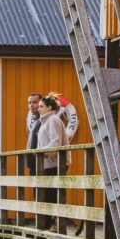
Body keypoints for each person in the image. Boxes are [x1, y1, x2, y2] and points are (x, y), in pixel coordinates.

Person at [36, 96, 70, 229]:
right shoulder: (46, 121)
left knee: (50, 196)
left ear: (49, 107)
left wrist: (41, 152)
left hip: (55, 164)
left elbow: (55, 142)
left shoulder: (53, 119)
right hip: (48, 164)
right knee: (48, 196)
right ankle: (51, 225)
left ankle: (53, 226)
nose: (38, 109)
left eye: (41, 106)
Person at [24, 92, 42, 175]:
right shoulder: (33, 120)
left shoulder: (44, 119)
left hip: (41, 163)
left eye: (34, 102)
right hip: (33, 163)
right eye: (29, 103)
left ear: (41, 103)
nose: (31, 105)